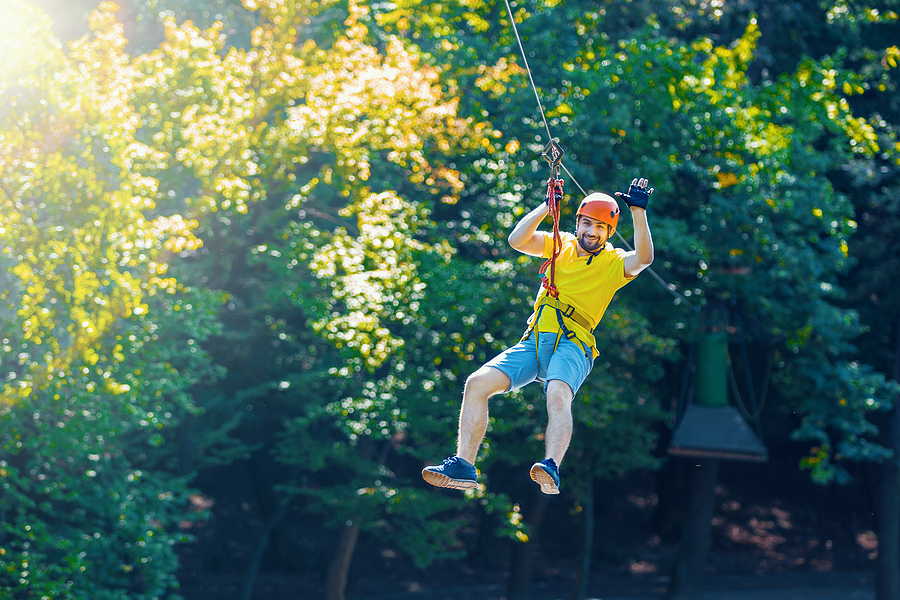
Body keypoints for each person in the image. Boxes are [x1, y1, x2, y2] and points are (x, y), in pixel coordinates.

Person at [422, 177, 655, 495]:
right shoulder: (561, 246)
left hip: (573, 343)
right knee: (477, 384)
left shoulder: (613, 263)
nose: (591, 231)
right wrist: (548, 207)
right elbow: (518, 240)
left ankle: (551, 466)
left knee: (557, 394)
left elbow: (643, 258)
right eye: (586, 223)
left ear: (609, 232)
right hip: (534, 339)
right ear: (577, 223)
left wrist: (638, 211)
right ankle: (464, 464)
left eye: (600, 227)